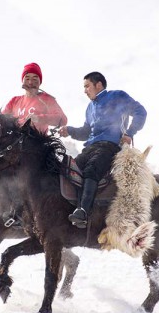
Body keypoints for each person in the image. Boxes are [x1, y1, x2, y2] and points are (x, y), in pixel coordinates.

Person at [59, 71, 147, 228]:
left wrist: (129, 133)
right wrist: (69, 130)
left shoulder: (117, 96)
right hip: (90, 148)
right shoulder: (89, 108)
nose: (85, 90)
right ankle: (70, 212)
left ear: (98, 85)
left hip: (110, 146)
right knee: (69, 170)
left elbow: (141, 112)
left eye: (87, 86)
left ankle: (84, 212)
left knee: (92, 169)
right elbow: (86, 132)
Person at [1, 62, 68, 133]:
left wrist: (39, 118)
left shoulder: (47, 99)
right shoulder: (14, 100)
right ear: (22, 81)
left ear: (40, 82)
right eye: (27, 78)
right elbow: (1, 120)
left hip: (38, 142)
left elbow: (63, 120)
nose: (30, 82)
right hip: (15, 141)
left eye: (34, 79)